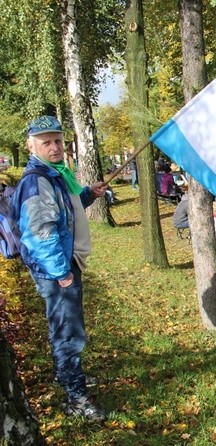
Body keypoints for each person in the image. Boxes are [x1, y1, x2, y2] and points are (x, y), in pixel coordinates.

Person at [11, 116, 107, 420]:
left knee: (67, 329)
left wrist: (89, 194)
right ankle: (76, 398)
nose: (55, 147)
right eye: (46, 142)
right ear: (31, 146)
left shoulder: (53, 175)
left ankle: (68, 374)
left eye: (58, 141)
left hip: (64, 264)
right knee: (68, 332)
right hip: (57, 270)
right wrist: (61, 273)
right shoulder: (36, 181)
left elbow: (66, 210)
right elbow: (40, 232)